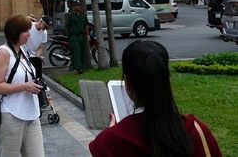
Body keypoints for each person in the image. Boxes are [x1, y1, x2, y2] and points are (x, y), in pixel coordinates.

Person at [89, 40, 222, 157]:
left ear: (127, 84)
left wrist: (112, 132)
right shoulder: (197, 131)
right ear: (167, 82)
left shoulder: (109, 144)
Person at [0, 14, 45, 157]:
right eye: (26, 31)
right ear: (16, 32)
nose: (29, 34)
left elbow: (28, 78)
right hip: (12, 115)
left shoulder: (23, 52)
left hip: (32, 114)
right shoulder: (3, 52)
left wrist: (39, 90)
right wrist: (24, 87)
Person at [65, 0, 90, 73]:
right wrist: (72, 31)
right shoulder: (71, 15)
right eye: (77, 5)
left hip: (82, 36)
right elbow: (67, 25)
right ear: (74, 6)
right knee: (76, 52)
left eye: (80, 5)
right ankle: (78, 68)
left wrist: (88, 36)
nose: (79, 7)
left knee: (82, 52)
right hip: (74, 36)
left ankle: (82, 66)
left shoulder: (83, 15)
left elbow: (86, 25)